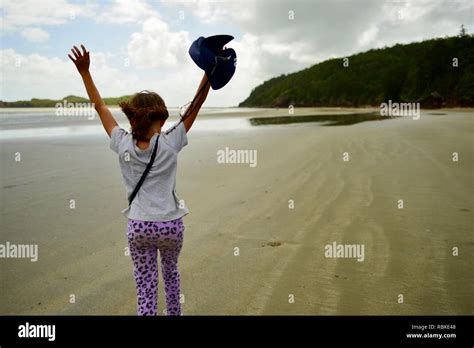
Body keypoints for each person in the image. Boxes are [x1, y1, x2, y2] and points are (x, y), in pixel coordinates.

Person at [68, 44, 211, 316]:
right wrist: (209, 70)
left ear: (131, 119)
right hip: (171, 225)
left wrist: (85, 72)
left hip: (140, 227)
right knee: (171, 276)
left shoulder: (121, 143)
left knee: (145, 286)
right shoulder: (171, 141)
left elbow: (99, 106)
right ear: (161, 116)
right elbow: (197, 103)